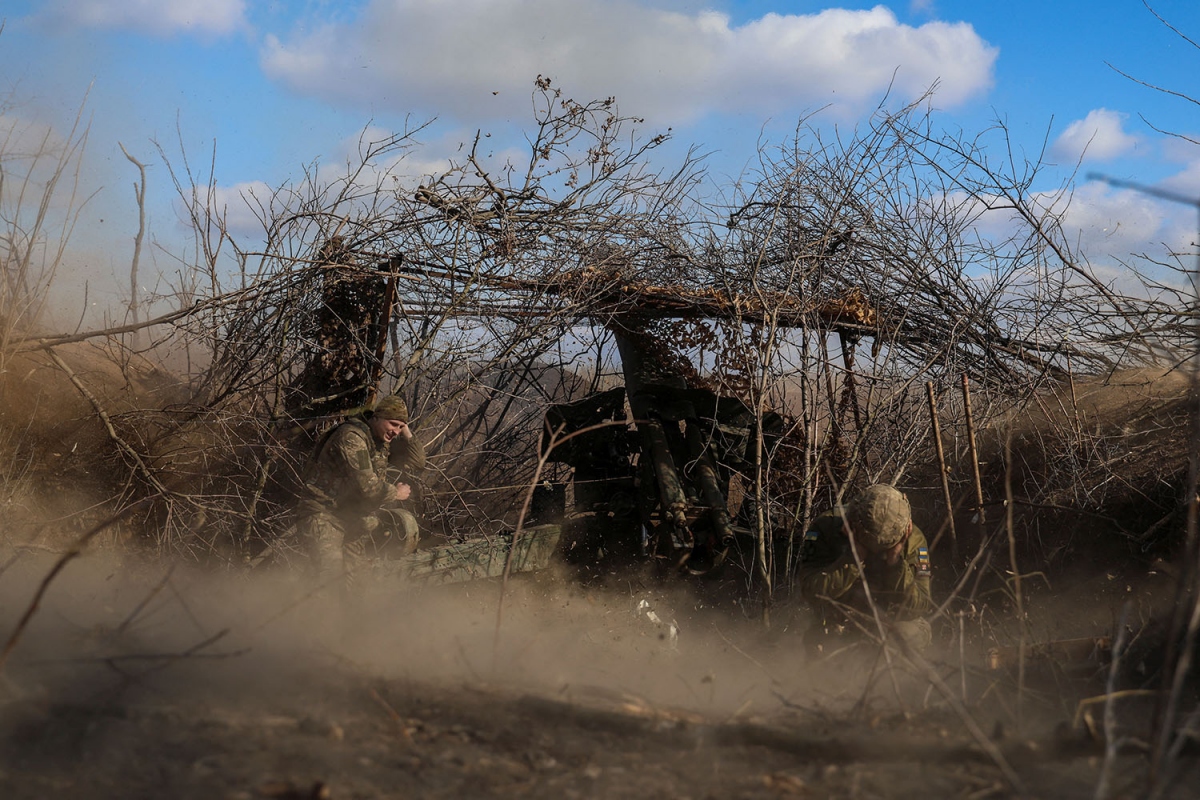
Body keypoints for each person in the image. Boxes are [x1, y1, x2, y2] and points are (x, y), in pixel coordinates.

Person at [295, 394, 426, 590]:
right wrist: (395, 493)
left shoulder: (380, 440)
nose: (396, 431)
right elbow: (369, 488)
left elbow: (417, 462)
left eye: (400, 426)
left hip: (352, 519)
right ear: (377, 417)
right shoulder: (352, 437)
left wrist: (405, 429)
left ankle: (346, 620)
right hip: (323, 515)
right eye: (393, 424)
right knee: (328, 579)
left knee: (357, 586)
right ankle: (312, 619)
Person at [799, 484, 932, 654]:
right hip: (840, 620)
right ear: (851, 524)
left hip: (892, 622)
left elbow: (920, 606)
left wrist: (895, 561)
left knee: (905, 636)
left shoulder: (913, 540)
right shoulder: (826, 529)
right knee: (820, 643)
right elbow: (810, 592)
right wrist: (854, 558)